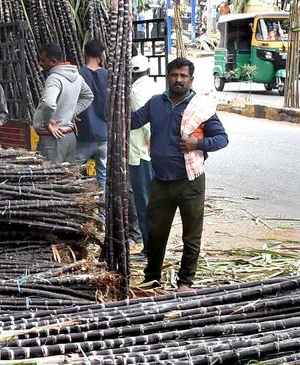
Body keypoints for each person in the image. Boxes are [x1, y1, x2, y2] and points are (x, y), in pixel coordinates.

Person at [130, 57, 229, 291]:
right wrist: (110, 104)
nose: (178, 80)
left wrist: (198, 142)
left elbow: (222, 138)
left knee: (191, 234)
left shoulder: (200, 107)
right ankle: (152, 277)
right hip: (161, 181)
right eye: (174, 75)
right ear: (167, 77)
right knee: (155, 233)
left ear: (191, 80)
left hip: (190, 182)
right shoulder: (156, 103)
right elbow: (133, 121)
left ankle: (185, 281)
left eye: (183, 76)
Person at [32, 43, 93, 164]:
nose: (40, 63)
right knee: (67, 176)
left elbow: (48, 103)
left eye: (43, 60)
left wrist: (47, 122)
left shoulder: (54, 78)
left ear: (53, 61)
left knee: (49, 178)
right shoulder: (77, 76)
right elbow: (88, 96)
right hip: (69, 136)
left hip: (53, 139)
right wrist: (72, 112)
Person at [128, 54, 159, 245]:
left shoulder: (136, 92)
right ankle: (150, 242)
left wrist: (151, 142)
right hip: (148, 151)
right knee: (149, 198)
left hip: (141, 152)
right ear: (149, 70)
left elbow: (147, 123)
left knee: (144, 200)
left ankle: (148, 244)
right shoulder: (154, 86)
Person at [76, 39, 108, 189]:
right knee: (102, 177)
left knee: (73, 173)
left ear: (85, 54)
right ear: (101, 56)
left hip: (84, 134)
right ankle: (102, 212)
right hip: (103, 134)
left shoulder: (78, 74)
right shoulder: (108, 75)